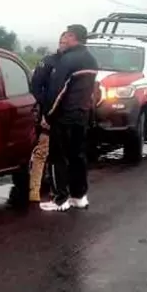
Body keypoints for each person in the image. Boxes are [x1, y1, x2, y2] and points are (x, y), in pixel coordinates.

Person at [39, 24, 99, 212]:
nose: (64, 39)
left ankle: (60, 199)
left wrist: (48, 115)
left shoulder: (68, 60)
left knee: (59, 157)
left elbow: (57, 91)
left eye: (66, 36)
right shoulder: (91, 59)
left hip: (65, 116)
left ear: (73, 36)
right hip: (82, 115)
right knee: (78, 156)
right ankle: (79, 196)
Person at [26, 43, 63, 203]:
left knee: (62, 154)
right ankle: (34, 191)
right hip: (48, 113)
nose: (64, 44)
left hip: (68, 114)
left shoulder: (75, 64)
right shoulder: (48, 62)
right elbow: (36, 87)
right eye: (62, 41)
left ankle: (59, 190)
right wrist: (44, 112)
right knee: (42, 152)